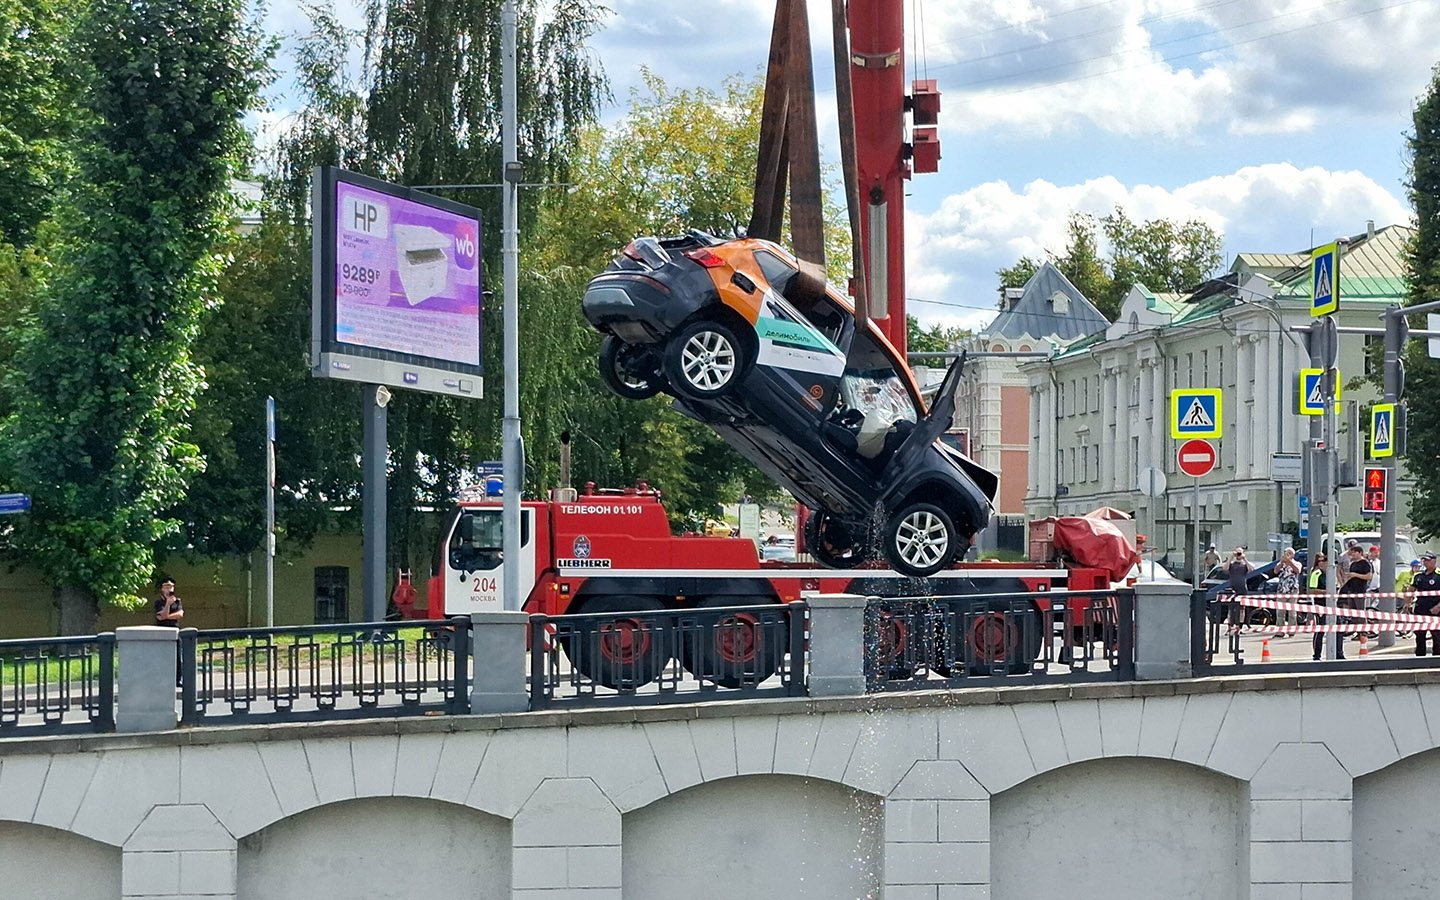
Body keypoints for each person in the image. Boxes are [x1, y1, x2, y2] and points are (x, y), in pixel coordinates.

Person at [1310, 553, 1345, 660]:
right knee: (1321, 629)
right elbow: (1312, 590)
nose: (1322, 563)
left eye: (1324, 561)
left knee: (1339, 627)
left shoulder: (1331, 574)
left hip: (1332, 604)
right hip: (1320, 604)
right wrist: (1327, 592)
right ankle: (1317, 655)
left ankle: (1339, 653)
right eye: (1320, 561)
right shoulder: (1316, 574)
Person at [154, 577, 184, 686]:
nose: (169, 589)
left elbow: (180, 614)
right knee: (163, 656)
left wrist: (166, 616)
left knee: (178, 656)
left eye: (171, 587)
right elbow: (160, 617)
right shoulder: (159, 602)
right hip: (162, 631)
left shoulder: (177, 601)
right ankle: (163, 678)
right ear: (162, 589)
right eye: (166, 587)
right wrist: (167, 604)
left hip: (174, 630)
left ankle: (178, 679)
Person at [1412, 552, 1440, 656]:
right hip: (1420, 609)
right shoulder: (1419, 575)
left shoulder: (1439, 575)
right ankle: (1420, 657)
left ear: (1434, 561)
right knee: (1419, 634)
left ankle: (1436, 658)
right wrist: (1407, 602)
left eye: (1428, 560)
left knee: (1437, 636)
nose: (1425, 562)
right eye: (1424, 560)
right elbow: (1412, 589)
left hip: (1435, 610)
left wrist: (1438, 606)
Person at [1275, 546, 1302, 627]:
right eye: (1286, 553)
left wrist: (1289, 562)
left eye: (1290, 553)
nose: (1288, 555)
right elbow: (1275, 571)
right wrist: (1281, 562)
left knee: (1292, 610)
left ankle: (1291, 628)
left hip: (1293, 589)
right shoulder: (1280, 564)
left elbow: (1298, 570)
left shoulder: (1297, 563)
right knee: (1280, 610)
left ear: (1293, 555)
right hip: (1282, 589)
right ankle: (1280, 628)